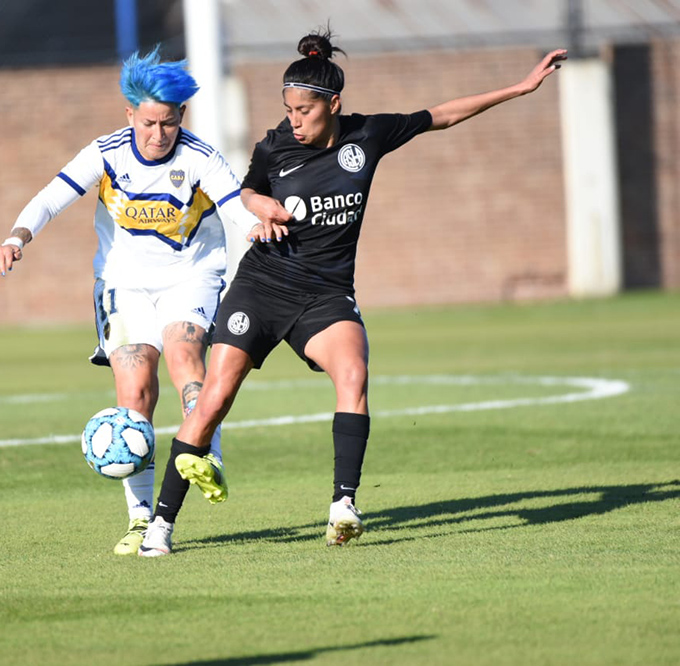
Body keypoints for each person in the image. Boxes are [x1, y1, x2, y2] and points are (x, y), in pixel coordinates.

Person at [138, 30, 568, 556]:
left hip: (326, 294)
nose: (292, 120)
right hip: (262, 286)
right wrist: (259, 207)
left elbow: (443, 114)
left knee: (354, 374)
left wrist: (520, 88)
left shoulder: (368, 136)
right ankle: (160, 526)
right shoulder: (274, 147)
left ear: (332, 104)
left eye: (303, 110)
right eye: (287, 109)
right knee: (214, 399)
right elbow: (247, 188)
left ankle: (343, 504)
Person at [0, 49, 284, 556]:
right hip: (122, 281)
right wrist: (17, 237)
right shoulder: (105, 154)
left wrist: (254, 226)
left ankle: (207, 452)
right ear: (130, 115)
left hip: (191, 274)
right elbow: (51, 196)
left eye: (168, 122)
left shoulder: (198, 157)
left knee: (184, 356)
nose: (158, 133)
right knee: (135, 390)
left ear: (180, 118)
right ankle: (141, 519)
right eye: (148, 122)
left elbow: (233, 202)